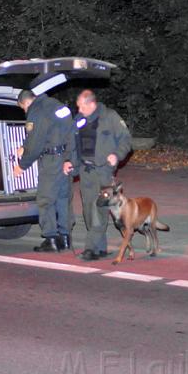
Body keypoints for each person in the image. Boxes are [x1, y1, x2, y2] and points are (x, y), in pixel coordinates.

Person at [64, 90, 132, 261]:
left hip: (103, 171)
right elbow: (72, 144)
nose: (79, 110)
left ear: (91, 104)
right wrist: (68, 161)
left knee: (98, 209)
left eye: (81, 107)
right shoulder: (79, 120)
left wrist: (116, 155)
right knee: (88, 210)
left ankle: (91, 249)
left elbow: (126, 140)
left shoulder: (110, 117)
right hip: (85, 172)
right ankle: (100, 248)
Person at [14, 90, 75, 253]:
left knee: (45, 199)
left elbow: (36, 141)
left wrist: (22, 165)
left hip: (51, 161)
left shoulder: (37, 110)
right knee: (63, 198)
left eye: (23, 109)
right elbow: (71, 133)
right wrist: (70, 159)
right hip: (64, 159)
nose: (25, 112)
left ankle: (50, 239)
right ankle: (65, 237)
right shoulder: (58, 106)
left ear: (26, 103)